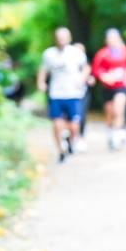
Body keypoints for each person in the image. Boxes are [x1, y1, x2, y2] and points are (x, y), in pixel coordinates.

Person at [37, 27, 90, 163]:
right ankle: (60, 151)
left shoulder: (76, 53)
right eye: (59, 36)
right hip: (56, 94)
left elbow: (86, 67)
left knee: (74, 126)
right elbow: (43, 70)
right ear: (55, 38)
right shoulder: (49, 54)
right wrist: (41, 82)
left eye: (64, 36)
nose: (61, 39)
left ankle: (69, 139)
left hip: (73, 93)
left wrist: (82, 78)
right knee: (56, 124)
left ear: (69, 38)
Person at [91, 28, 126, 150]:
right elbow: (96, 70)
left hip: (123, 86)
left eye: (115, 37)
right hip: (107, 87)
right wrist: (105, 77)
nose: (113, 40)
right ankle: (111, 133)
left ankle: (119, 135)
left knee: (119, 109)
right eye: (110, 38)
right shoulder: (102, 54)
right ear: (106, 40)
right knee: (110, 113)